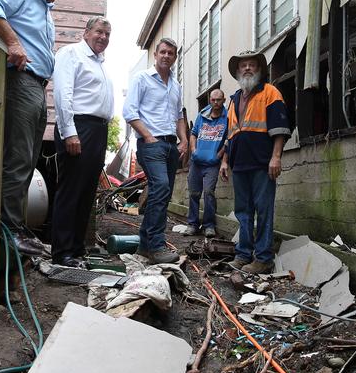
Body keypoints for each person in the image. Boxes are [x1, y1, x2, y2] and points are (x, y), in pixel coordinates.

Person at [0, 0, 76, 256]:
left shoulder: (45, 8)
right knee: (18, 157)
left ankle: (16, 228)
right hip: (20, 81)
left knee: (29, 159)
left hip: (36, 86)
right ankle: (8, 230)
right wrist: (13, 42)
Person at [220, 50, 290, 274]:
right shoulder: (233, 100)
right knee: (243, 211)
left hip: (262, 163)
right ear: (238, 71)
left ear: (259, 70)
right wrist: (224, 161)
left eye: (252, 65)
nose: (247, 68)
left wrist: (276, 156)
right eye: (243, 66)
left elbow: (280, 129)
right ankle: (243, 254)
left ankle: (263, 258)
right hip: (239, 164)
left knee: (263, 210)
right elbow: (230, 135)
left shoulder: (270, 92)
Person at [51, 16, 113, 267]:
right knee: (71, 191)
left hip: (97, 130)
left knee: (87, 193)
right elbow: (63, 95)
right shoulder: (71, 53)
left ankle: (76, 250)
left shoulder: (99, 62)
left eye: (108, 35)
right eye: (99, 32)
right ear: (86, 32)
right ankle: (62, 252)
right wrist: (70, 132)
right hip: (79, 127)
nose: (103, 38)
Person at [122, 37, 187, 265]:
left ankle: (144, 245)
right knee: (161, 187)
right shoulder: (142, 79)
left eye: (171, 53)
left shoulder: (176, 85)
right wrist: (148, 137)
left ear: (175, 57)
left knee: (164, 194)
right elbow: (129, 112)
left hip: (171, 146)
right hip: (152, 144)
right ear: (155, 55)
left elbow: (179, 116)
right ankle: (157, 246)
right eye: (163, 52)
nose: (166, 56)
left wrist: (185, 140)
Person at [183, 88, 227, 238]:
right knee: (194, 193)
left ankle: (209, 225)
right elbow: (193, 134)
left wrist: (219, 156)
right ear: (210, 100)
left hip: (212, 164)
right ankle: (192, 224)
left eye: (218, 100)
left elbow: (228, 140)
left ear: (224, 100)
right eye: (213, 100)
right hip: (196, 163)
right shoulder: (202, 115)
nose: (215, 102)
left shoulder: (227, 117)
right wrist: (193, 149)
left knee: (209, 193)